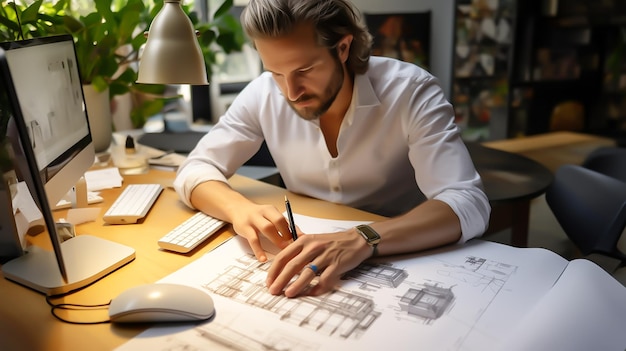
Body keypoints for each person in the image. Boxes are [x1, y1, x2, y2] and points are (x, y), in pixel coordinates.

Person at [174, 0, 490, 298]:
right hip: (307, 255)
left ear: (342, 47)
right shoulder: (263, 94)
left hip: (402, 253)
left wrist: (366, 236)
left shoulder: (411, 91)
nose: (291, 93)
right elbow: (195, 168)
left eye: (305, 70)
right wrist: (238, 208)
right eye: (276, 73)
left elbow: (468, 202)